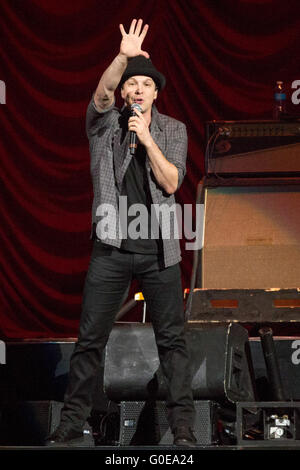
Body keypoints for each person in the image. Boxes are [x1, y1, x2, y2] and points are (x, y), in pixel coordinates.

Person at [46, 18, 196, 447]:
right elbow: (100, 94)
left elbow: (171, 182)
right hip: (112, 246)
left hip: (160, 250)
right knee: (90, 338)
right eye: (132, 84)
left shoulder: (173, 131)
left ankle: (182, 427)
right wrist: (122, 57)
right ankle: (71, 422)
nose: (137, 90)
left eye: (145, 85)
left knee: (172, 343)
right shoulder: (105, 126)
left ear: (155, 93)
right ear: (125, 92)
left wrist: (148, 139)